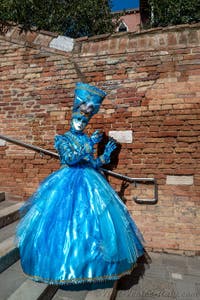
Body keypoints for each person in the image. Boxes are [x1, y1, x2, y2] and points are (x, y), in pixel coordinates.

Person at [16, 82, 144, 285]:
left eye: (84, 120)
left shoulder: (85, 138)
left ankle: (95, 269)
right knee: (61, 224)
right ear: (71, 117)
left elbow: (91, 164)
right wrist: (90, 145)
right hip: (65, 183)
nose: (81, 123)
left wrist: (104, 156)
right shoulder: (62, 139)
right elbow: (70, 159)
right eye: (78, 118)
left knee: (97, 223)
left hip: (90, 181)